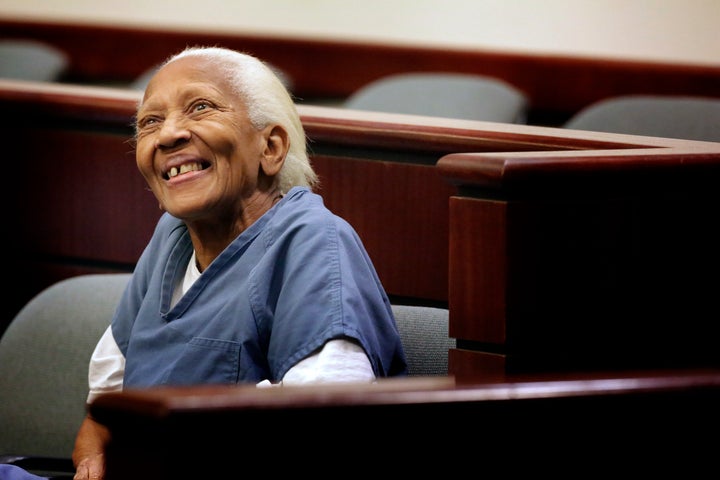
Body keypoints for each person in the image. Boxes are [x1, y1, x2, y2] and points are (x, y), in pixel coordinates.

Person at [68, 46, 408, 480]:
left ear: (271, 147)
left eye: (201, 107)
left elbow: (324, 440)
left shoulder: (314, 244)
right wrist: (96, 464)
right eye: (150, 122)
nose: (168, 134)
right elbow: (100, 417)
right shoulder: (170, 238)